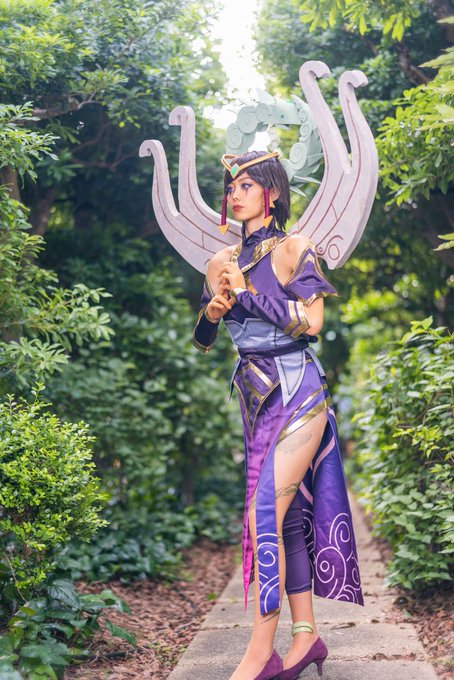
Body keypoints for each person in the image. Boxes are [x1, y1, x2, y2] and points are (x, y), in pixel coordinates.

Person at [193, 150, 363, 680]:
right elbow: (203, 340)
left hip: (299, 393)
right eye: (231, 187)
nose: (235, 194)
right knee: (285, 518)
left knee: (262, 513)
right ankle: (306, 637)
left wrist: (247, 295)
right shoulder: (219, 262)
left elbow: (311, 323)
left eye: (246, 185)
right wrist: (212, 312)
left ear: (272, 192)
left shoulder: (294, 248)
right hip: (254, 396)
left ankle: (258, 653)